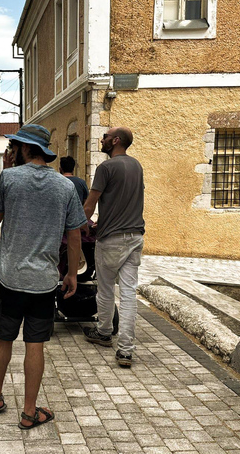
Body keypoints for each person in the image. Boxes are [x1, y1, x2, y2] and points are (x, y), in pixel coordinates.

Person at [0, 124, 86, 430]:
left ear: (24, 149)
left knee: (4, 336)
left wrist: (4, 169)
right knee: (35, 343)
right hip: (43, 279)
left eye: (14, 146)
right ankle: (29, 412)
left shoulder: (9, 177)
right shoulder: (65, 187)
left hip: (9, 275)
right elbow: (74, 233)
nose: (12, 151)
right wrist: (70, 273)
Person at [81, 127, 145, 368]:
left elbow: (89, 205)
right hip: (135, 235)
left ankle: (104, 332)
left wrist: (81, 226)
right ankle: (126, 351)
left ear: (116, 140)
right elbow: (125, 201)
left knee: (106, 289)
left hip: (110, 239)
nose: (102, 139)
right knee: (129, 293)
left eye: (106, 136)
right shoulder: (136, 166)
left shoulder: (105, 168)